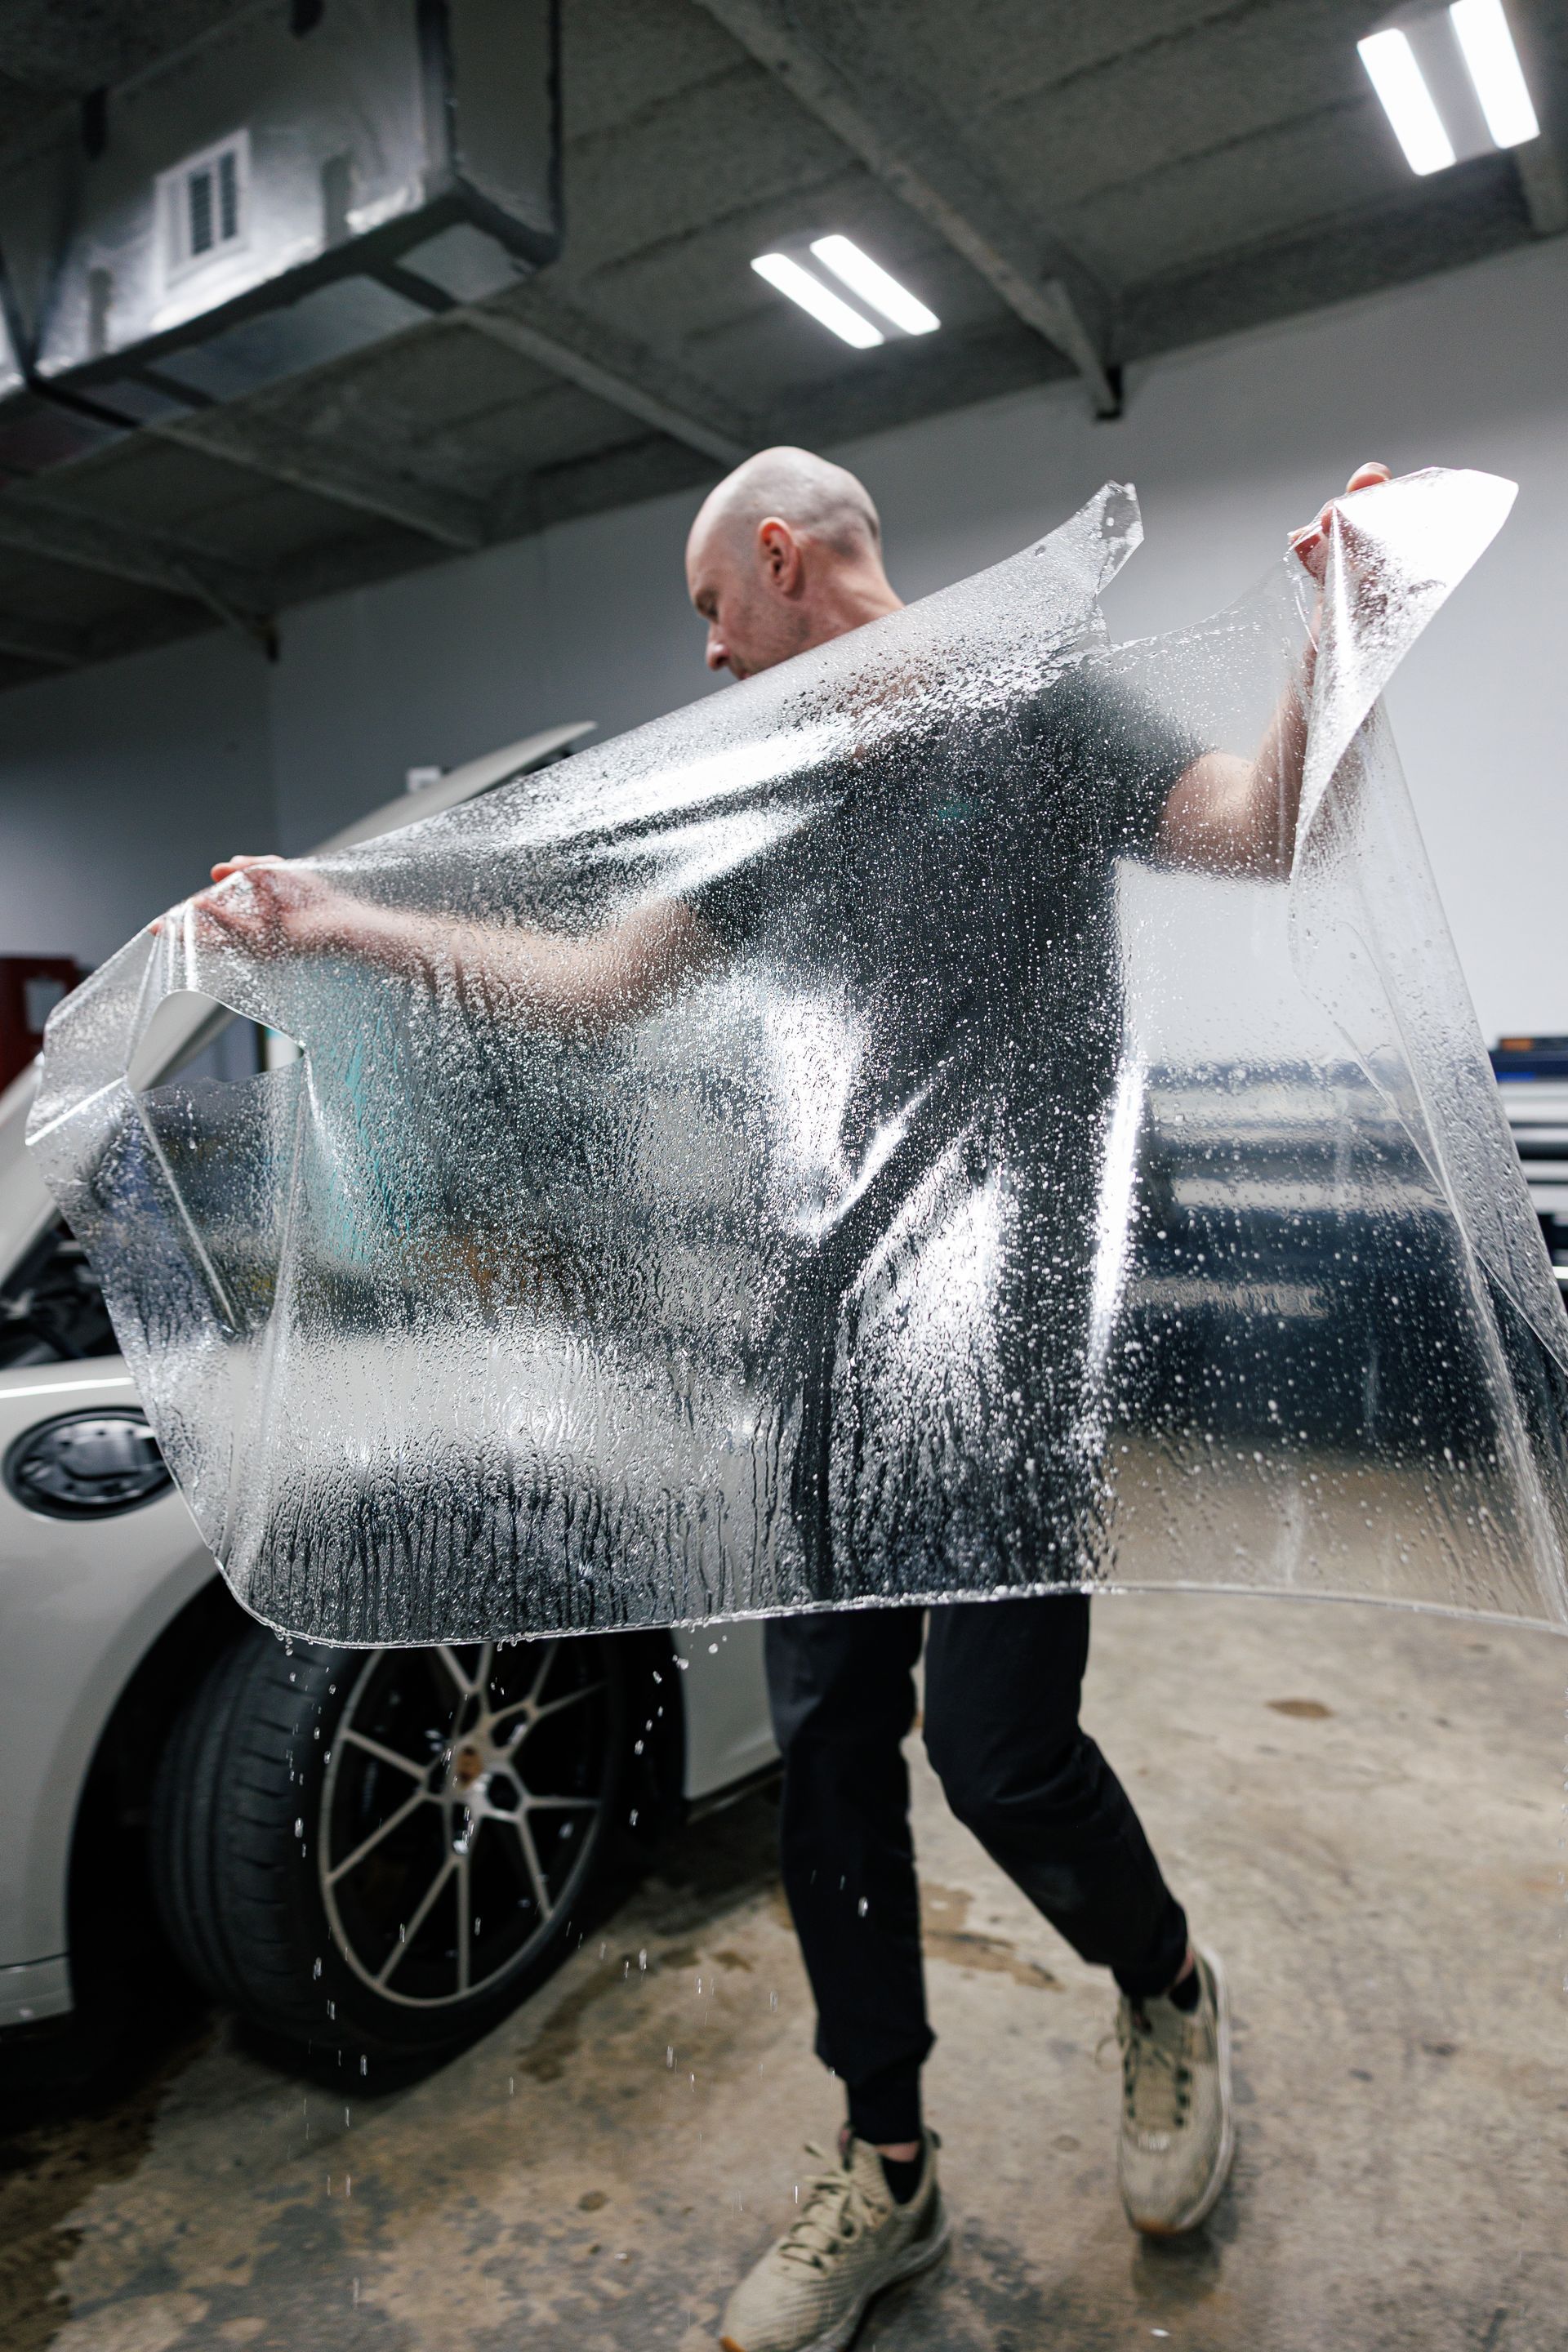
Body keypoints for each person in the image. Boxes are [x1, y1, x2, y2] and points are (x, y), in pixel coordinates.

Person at [187, 445, 1390, 2352]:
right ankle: (886, 2165)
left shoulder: (1034, 709)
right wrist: (344, 924)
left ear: (778, 558)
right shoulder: (786, 791)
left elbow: (1260, 829)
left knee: (998, 1753)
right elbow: (596, 985)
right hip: (822, 1347)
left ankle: (1164, 1980)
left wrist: (1342, 638)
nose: (709, 654)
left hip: (1004, 1345)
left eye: (709, 613)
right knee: (828, 1756)